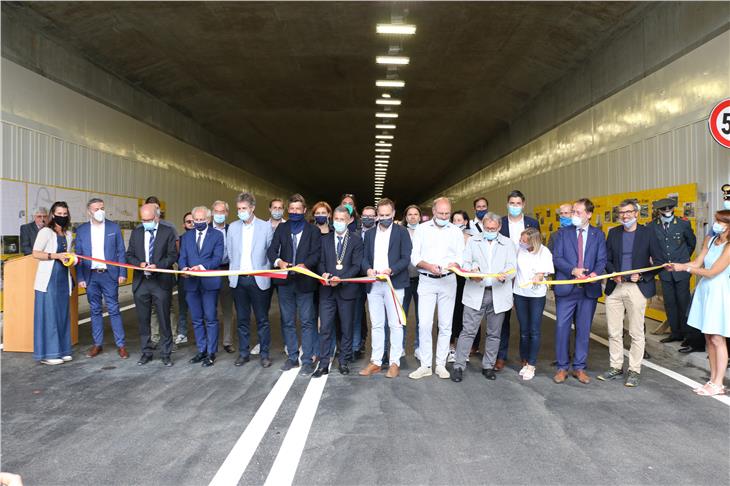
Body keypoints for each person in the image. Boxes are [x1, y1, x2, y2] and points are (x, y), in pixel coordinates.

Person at [669, 210, 730, 396]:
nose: (715, 224)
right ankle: (712, 379)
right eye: (715, 220)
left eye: (719, 221)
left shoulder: (729, 247)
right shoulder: (710, 240)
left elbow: (713, 272)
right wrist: (678, 265)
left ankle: (719, 383)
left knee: (718, 338)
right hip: (705, 291)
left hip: (719, 292)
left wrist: (685, 268)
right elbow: (697, 262)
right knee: (708, 338)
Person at [598, 199, 658, 387]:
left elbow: (659, 261)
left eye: (629, 212)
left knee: (636, 332)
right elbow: (606, 259)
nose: (625, 216)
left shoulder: (648, 233)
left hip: (636, 289)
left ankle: (634, 370)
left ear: (636, 214)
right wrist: (613, 273)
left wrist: (641, 275)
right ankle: (616, 367)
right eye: (621, 213)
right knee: (613, 331)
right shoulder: (614, 233)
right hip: (615, 288)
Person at [451, 213, 516, 383]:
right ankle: (458, 366)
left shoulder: (508, 243)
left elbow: (513, 267)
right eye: (487, 228)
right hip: (476, 291)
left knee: (494, 333)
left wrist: (506, 275)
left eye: (493, 229)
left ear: (499, 228)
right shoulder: (473, 240)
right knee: (468, 331)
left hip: (498, 292)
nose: (490, 231)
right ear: (484, 226)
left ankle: (488, 366)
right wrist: (471, 271)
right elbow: (464, 262)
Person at [552, 198, 607, 384]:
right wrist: (573, 270)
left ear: (589, 214)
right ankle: (561, 367)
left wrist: (593, 274)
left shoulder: (598, 235)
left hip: (588, 290)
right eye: (573, 212)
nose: (573, 215)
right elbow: (557, 258)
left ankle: (579, 367)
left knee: (584, 330)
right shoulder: (562, 234)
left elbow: (602, 260)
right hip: (567, 288)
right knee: (562, 328)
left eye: (577, 212)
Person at [409, 197, 465, 380]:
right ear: (433, 212)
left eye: (447, 213)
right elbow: (415, 256)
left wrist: (455, 263)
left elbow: (461, 256)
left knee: (445, 324)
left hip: (449, 280)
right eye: (440, 213)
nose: (444, 216)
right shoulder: (422, 230)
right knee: (424, 324)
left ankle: (440, 364)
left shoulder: (456, 231)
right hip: (426, 279)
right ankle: (425, 364)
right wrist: (429, 266)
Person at [267, 193, 321, 374]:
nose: (295, 212)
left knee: (307, 321)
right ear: (287, 211)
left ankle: (306, 360)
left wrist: (305, 265)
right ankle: (292, 357)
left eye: (298, 209)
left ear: (305, 210)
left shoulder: (313, 231)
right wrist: (279, 262)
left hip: (305, 283)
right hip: (285, 283)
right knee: (287, 321)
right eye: (292, 209)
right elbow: (272, 251)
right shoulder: (282, 229)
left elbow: (316, 253)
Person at [360, 198, 412, 378]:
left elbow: (406, 258)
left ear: (394, 213)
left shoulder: (402, 232)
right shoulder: (370, 234)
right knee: (377, 324)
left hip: (394, 284)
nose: (384, 218)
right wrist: (367, 269)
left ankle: (394, 362)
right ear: (376, 215)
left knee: (396, 324)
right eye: (380, 215)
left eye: (387, 215)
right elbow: (364, 257)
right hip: (374, 285)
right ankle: (376, 361)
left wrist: (392, 270)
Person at [74, 198, 128, 359]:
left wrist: (122, 273)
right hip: (91, 276)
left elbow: (120, 252)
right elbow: (79, 255)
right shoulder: (82, 230)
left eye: (102, 208)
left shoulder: (113, 227)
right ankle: (97, 344)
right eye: (96, 209)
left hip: (109, 275)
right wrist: (81, 277)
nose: (100, 211)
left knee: (114, 309)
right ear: (88, 211)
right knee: (95, 310)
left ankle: (121, 345)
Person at [314, 206, 364, 377]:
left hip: (347, 290)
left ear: (349, 220)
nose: (338, 222)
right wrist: (324, 274)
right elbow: (320, 262)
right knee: (326, 327)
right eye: (336, 219)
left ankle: (344, 361)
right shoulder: (325, 240)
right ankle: (323, 363)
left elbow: (357, 266)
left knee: (346, 328)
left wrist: (340, 279)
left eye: (342, 219)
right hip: (327, 291)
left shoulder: (356, 241)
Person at [126, 204, 178, 366]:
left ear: (156, 217)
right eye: (143, 219)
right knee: (143, 320)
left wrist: (158, 265)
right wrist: (139, 264)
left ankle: (166, 353)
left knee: (164, 319)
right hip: (142, 282)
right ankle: (146, 352)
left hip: (160, 282)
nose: (145, 222)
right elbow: (129, 255)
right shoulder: (136, 233)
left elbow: (173, 255)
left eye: (149, 219)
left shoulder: (167, 232)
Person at [227, 192, 275, 368]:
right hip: (239, 280)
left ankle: (264, 354)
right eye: (239, 209)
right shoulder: (232, 228)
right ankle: (244, 353)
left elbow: (270, 253)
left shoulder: (265, 227)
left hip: (258, 279)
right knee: (242, 319)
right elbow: (231, 253)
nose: (241, 212)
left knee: (262, 319)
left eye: (244, 208)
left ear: (252, 208)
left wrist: (263, 270)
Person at [496, 190, 540, 370]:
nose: (515, 206)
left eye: (518, 203)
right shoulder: (500, 223)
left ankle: (526, 357)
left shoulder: (532, 223)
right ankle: (500, 356)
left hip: (525, 277)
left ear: (523, 204)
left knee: (526, 322)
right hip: (504, 276)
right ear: (507, 204)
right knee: (502, 319)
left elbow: (538, 249)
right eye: (511, 203)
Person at [179, 206, 225, 367]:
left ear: (208, 219)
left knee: (210, 318)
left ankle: (211, 352)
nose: (198, 223)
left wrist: (201, 267)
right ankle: (202, 350)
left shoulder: (217, 236)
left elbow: (217, 258)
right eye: (195, 220)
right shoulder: (186, 237)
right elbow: (182, 257)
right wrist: (183, 268)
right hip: (191, 283)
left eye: (201, 220)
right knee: (197, 319)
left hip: (209, 282)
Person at [649, 198, 697, 350]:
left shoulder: (683, 224)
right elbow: (652, 246)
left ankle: (688, 335)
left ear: (673, 210)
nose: (667, 213)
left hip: (681, 270)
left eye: (670, 210)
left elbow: (691, 243)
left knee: (683, 302)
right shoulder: (652, 226)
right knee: (669, 303)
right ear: (659, 211)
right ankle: (675, 333)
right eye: (664, 211)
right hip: (664, 271)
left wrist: (682, 261)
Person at [31, 201, 75, 365]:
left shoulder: (68, 234)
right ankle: (49, 353)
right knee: (49, 316)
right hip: (48, 279)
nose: (62, 217)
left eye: (65, 214)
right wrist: (55, 256)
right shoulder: (45, 232)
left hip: (63, 278)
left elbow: (68, 254)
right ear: (52, 214)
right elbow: (36, 253)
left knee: (62, 314)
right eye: (59, 214)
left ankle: (63, 350)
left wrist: (71, 259)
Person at [513, 227, 554, 381]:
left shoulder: (544, 252)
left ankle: (532, 364)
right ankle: (524, 360)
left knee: (534, 330)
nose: (521, 243)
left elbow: (545, 271)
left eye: (525, 241)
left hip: (536, 295)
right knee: (524, 330)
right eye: (521, 240)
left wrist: (540, 274)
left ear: (534, 241)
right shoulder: (518, 250)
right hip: (520, 294)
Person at [144, 196, 179, 348]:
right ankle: (155, 337)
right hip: (146, 276)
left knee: (167, 307)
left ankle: (173, 336)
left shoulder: (169, 227)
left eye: (155, 208)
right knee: (151, 307)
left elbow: (174, 252)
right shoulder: (142, 228)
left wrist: (160, 265)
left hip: (164, 274)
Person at [449, 210, 476, 362]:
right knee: (451, 313)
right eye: (454, 220)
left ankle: (462, 348)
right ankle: (450, 346)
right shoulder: (448, 238)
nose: (456, 223)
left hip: (467, 280)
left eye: (459, 220)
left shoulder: (471, 239)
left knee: (466, 313)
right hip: (451, 278)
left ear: (466, 222)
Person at [352, 204, 377, 358]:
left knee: (376, 315)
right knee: (357, 313)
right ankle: (356, 345)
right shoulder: (354, 234)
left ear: (376, 217)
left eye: (371, 216)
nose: (368, 218)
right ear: (361, 217)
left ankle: (380, 350)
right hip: (357, 278)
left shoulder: (379, 234)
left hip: (375, 277)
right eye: (365, 216)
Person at [211, 200, 235, 354]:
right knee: (210, 309)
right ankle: (210, 341)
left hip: (227, 272)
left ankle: (227, 341)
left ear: (227, 213)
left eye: (222, 212)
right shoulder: (206, 230)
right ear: (212, 213)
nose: (219, 215)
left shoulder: (232, 230)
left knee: (227, 309)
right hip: (211, 273)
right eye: (217, 212)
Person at [402, 204, 422, 357]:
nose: (413, 217)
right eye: (410, 214)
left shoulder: (426, 232)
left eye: (416, 214)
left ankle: (419, 348)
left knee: (421, 316)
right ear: (406, 217)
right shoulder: (401, 232)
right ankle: (400, 347)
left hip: (422, 279)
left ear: (420, 217)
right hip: (404, 279)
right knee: (402, 315)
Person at [175, 212, 195, 345]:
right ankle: (182, 333)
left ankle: (202, 333)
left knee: (201, 307)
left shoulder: (204, 238)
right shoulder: (180, 240)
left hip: (200, 277)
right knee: (183, 307)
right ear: (184, 225)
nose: (191, 224)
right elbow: (177, 256)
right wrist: (184, 269)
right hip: (184, 277)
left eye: (193, 221)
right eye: (188, 222)